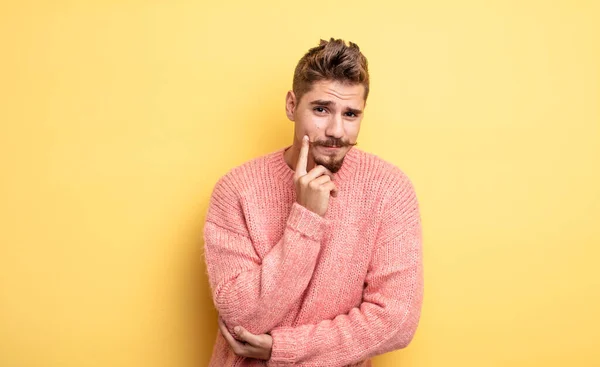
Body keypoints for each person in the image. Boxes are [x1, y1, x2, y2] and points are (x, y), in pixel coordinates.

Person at [203, 38, 424, 367]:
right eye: (321, 109)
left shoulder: (389, 189)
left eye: (350, 114)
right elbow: (242, 318)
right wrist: (305, 218)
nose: (336, 130)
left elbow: (395, 320)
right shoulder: (237, 190)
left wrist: (281, 348)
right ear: (292, 105)